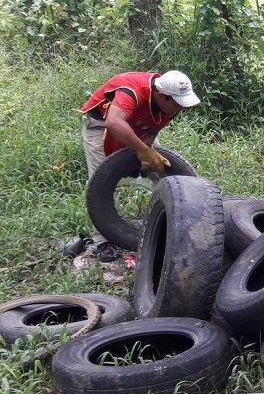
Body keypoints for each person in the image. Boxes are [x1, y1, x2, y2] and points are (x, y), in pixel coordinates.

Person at [79, 70, 201, 258]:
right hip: (100, 123)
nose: (180, 108)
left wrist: (145, 150)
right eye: (177, 103)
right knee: (100, 180)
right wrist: (142, 150)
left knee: (162, 168)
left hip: (137, 125)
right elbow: (113, 122)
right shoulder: (133, 90)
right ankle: (101, 241)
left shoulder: (172, 104)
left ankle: (178, 224)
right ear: (161, 96)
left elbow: (153, 128)